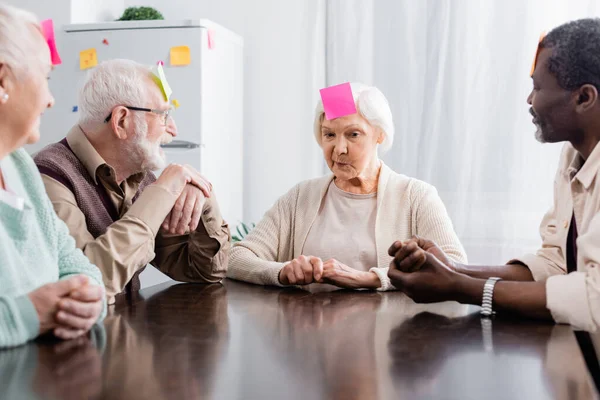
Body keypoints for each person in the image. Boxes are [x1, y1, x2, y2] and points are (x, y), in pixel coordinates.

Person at [388, 18, 600, 330]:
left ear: (584, 98)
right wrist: (455, 270)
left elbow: (593, 297)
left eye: (538, 88)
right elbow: (557, 264)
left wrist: (459, 288)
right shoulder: (573, 157)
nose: (530, 101)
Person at [228, 83, 466, 290]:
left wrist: (370, 279)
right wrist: (282, 272)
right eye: (329, 135)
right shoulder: (301, 196)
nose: (339, 149)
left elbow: (454, 267)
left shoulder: (416, 196)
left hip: (389, 336)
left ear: (379, 135)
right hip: (310, 335)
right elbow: (236, 257)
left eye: (353, 134)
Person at [34, 59, 231, 304]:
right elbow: (87, 283)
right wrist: (161, 192)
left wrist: (203, 194)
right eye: (163, 115)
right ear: (121, 121)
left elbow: (205, 272)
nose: (173, 129)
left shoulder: (139, 178)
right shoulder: (49, 176)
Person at [0, 4, 105, 348]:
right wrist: (26, 314)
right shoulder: (51, 166)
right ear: (3, 80)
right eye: (45, 79)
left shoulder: (21, 167)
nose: (50, 100)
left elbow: (82, 269)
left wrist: (87, 302)